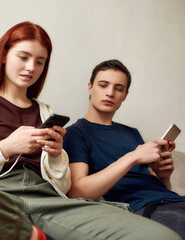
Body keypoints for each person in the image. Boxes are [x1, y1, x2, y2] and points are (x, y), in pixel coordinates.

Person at [0, 23, 181, 240]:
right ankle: (25, 232)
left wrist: (58, 155)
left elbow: (64, 188)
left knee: (161, 235)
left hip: (47, 200)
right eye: (23, 57)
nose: (30, 68)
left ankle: (21, 231)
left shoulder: (46, 112)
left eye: (40, 62)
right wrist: (5, 148)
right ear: (3, 55)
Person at [63, 59, 185, 238]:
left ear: (125, 95)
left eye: (118, 88)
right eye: (103, 85)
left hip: (174, 201)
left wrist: (163, 176)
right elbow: (77, 192)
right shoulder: (75, 133)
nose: (110, 93)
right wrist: (133, 157)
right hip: (143, 209)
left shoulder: (131, 133)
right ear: (90, 88)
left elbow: (157, 187)